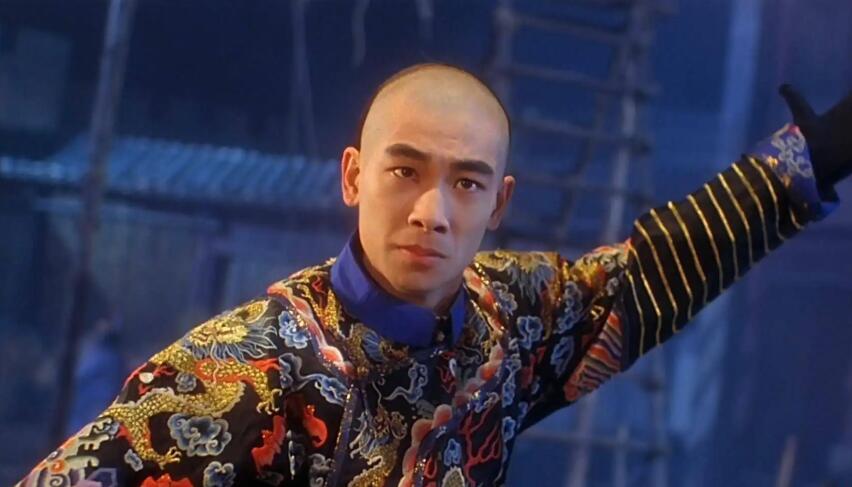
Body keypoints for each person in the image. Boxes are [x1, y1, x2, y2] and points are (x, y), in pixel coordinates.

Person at [17, 63, 852, 487]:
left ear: (500, 202)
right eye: (404, 171)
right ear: (353, 176)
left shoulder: (511, 314)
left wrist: (815, 156)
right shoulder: (242, 372)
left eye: (467, 183)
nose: (432, 212)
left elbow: (650, 270)